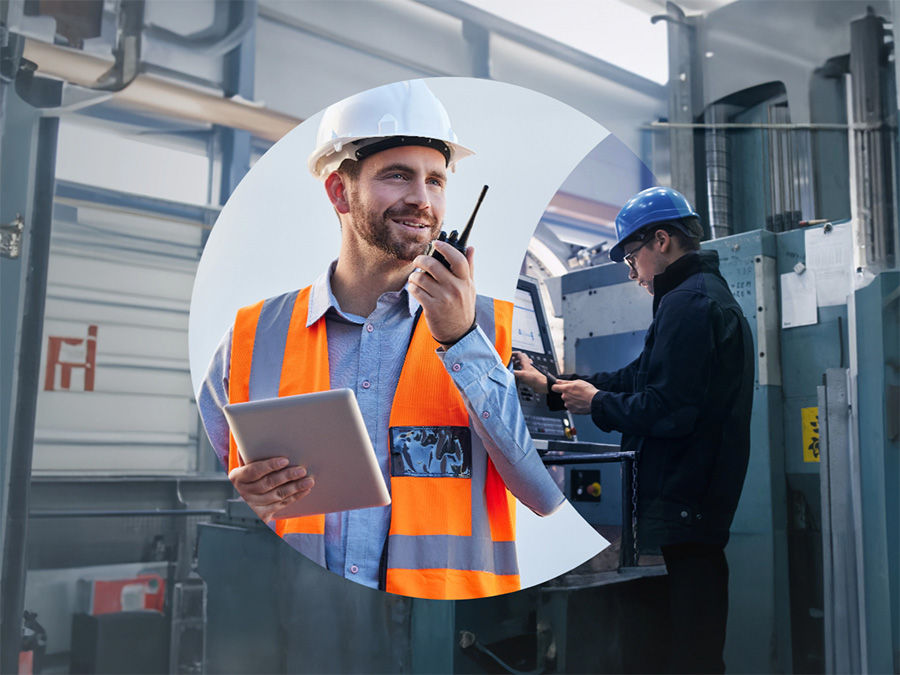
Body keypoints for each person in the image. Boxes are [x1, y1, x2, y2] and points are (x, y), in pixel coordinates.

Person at [199, 80, 563, 601]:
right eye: (398, 175)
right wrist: (248, 496)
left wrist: (461, 341)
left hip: (442, 636)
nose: (422, 199)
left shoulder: (492, 332)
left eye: (436, 181)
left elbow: (543, 494)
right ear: (339, 191)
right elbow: (221, 494)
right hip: (298, 623)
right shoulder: (254, 336)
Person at [513, 186, 753, 673]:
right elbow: (637, 379)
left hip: (682, 515)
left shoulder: (691, 304)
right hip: (687, 517)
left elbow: (668, 410)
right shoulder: (689, 299)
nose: (633, 274)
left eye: (631, 258)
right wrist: (553, 386)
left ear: (661, 240)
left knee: (678, 656)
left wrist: (597, 403)